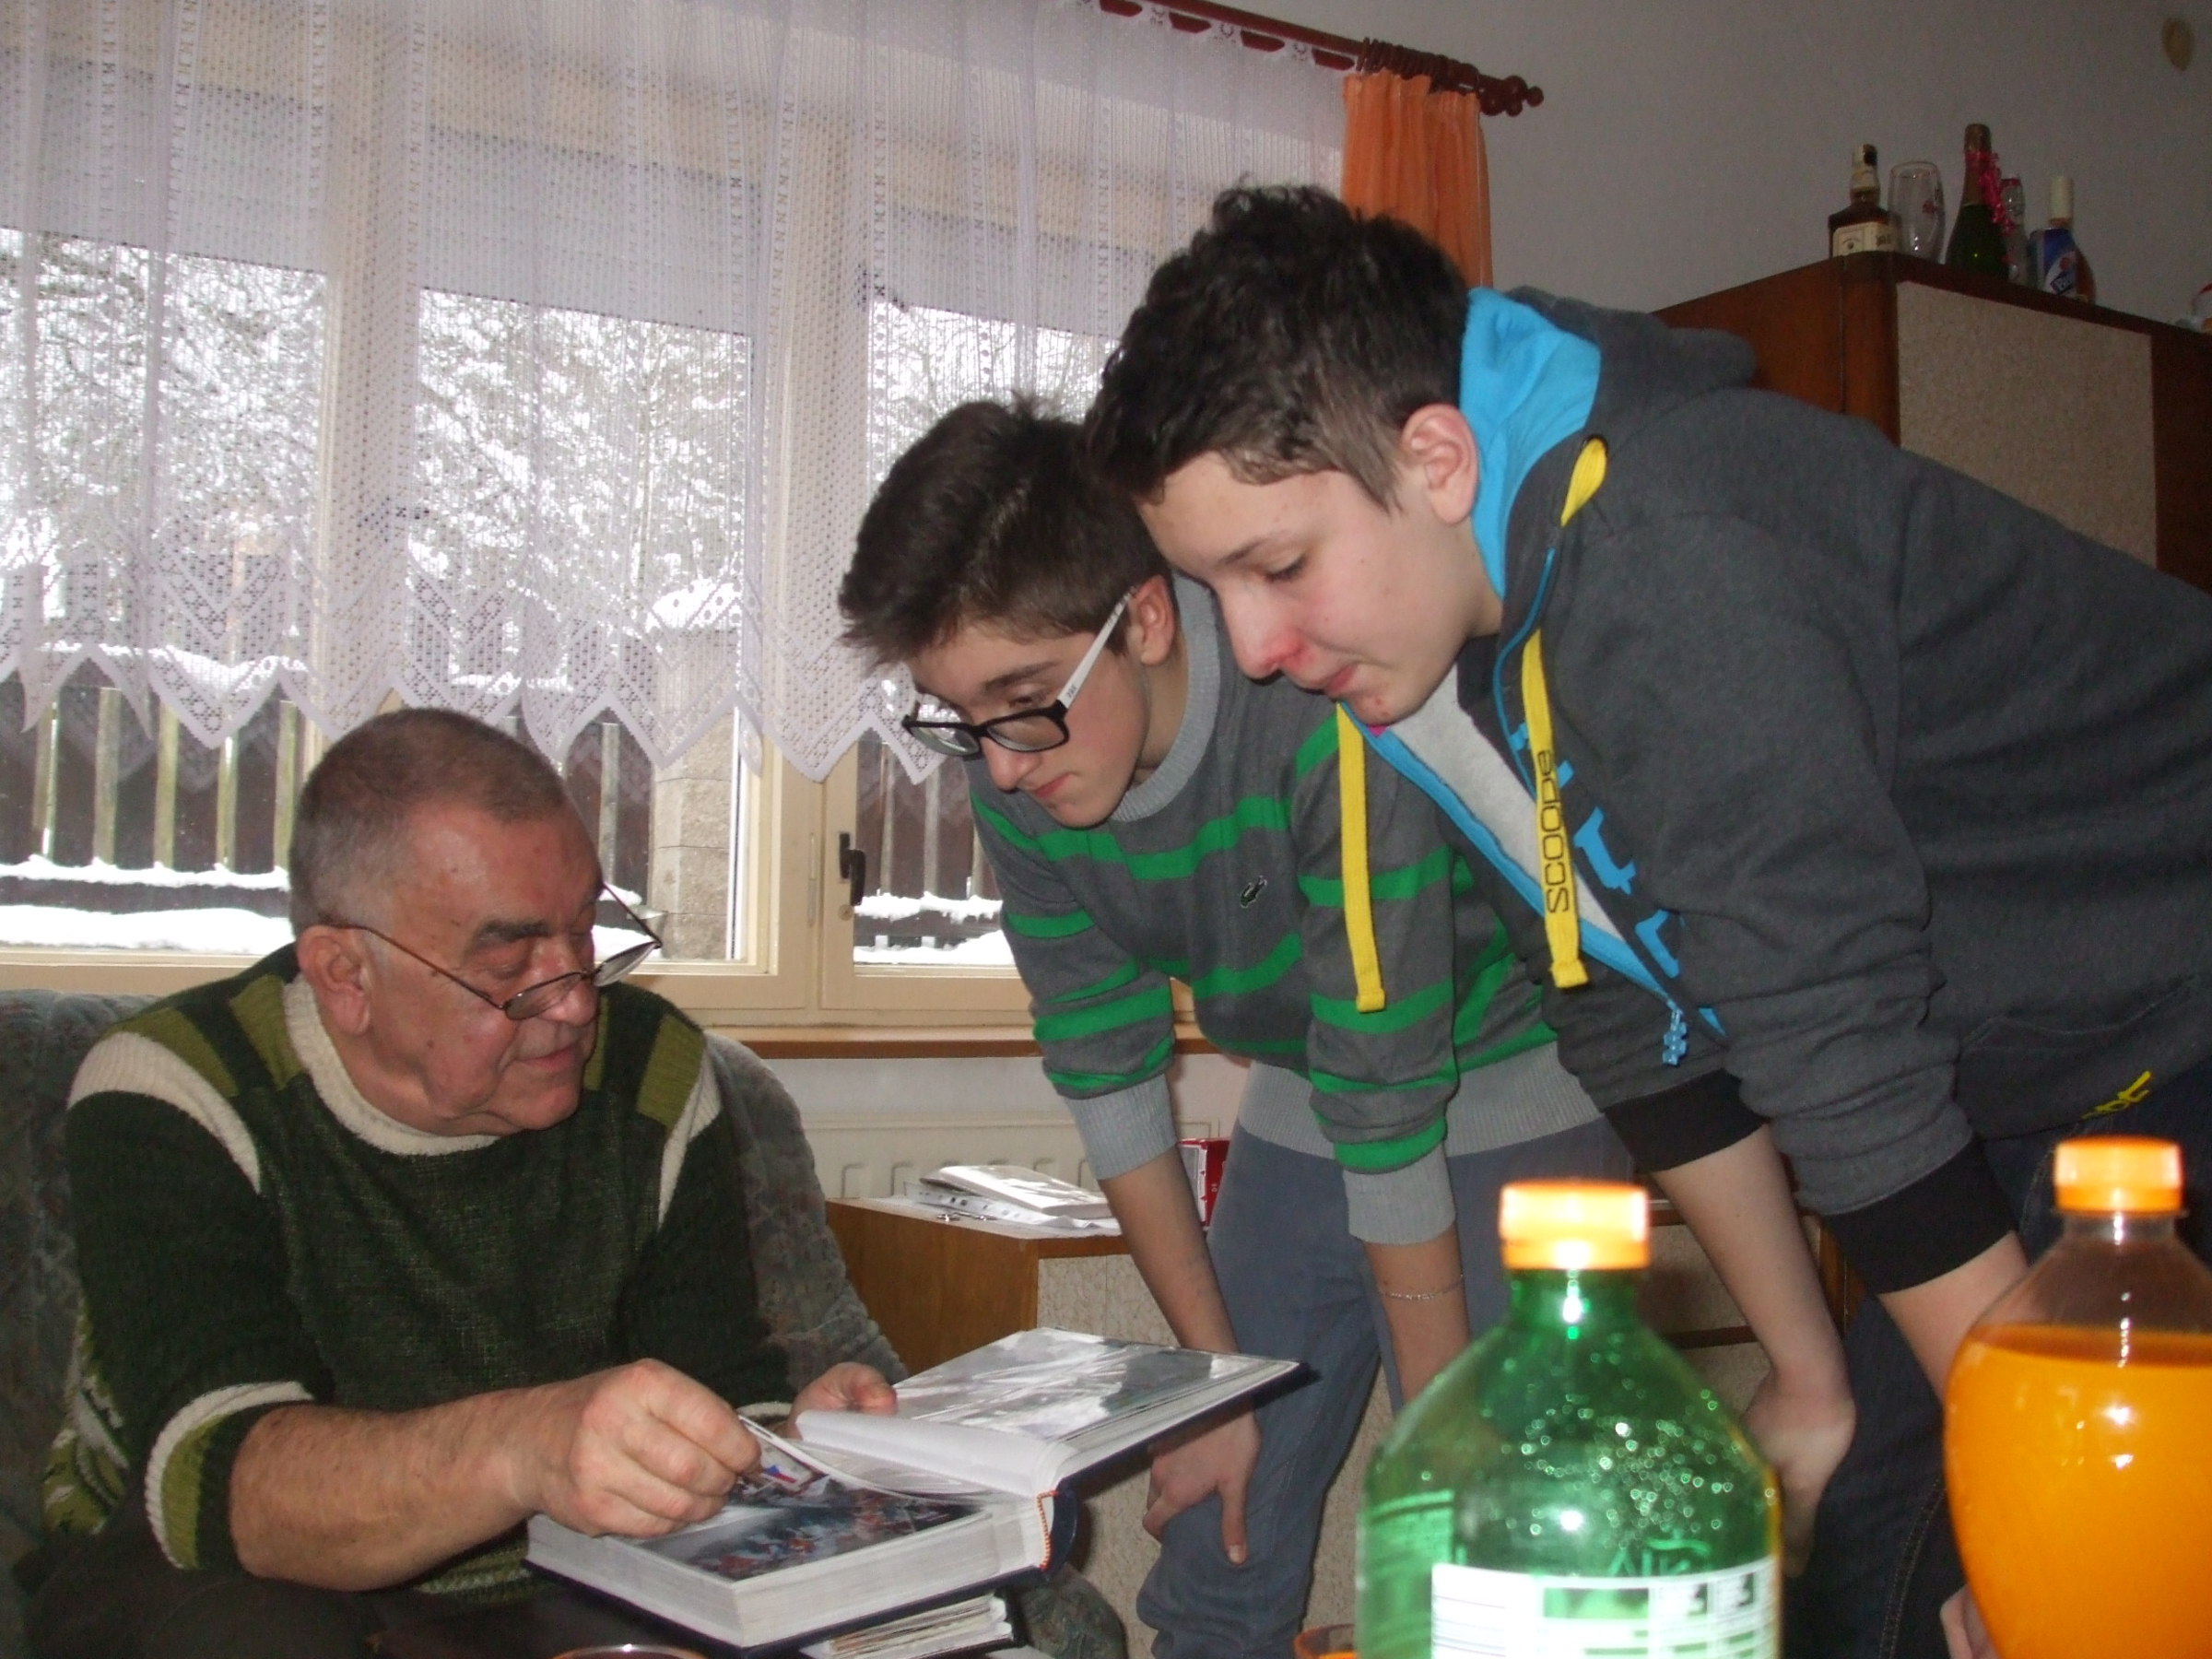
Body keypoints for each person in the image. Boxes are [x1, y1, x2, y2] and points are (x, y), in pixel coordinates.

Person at [1085, 184, 2212, 1659]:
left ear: (1436, 458)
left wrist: (2047, 1509)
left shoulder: (1674, 546)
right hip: (2040, 1087)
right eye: (1214, 585)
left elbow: (1835, 1043)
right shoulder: (1434, 659)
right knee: (1876, 1585)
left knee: (2109, 1586)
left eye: (1279, 565)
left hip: (2179, 1011)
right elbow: (1623, 1005)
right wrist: (1810, 1377)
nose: (1256, 649)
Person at [840, 400, 1632, 1659]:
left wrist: (1442, 1447)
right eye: (961, 717)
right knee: (1220, 1521)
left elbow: (1389, 1098)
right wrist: (1207, 1388)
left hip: (1508, 1083)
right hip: (1312, 1091)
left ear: (1147, 619)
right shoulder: (1020, 769)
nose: (1000, 766)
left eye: (1024, 700)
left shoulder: (1318, 708)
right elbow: (1108, 1070)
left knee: (1490, 1555)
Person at [25, 709, 904, 1658]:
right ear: (346, 975)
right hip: (212, 1572)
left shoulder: (656, 1075)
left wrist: (790, 1451)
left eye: (584, 934)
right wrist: (527, 1445)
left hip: (570, 1576)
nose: (576, 1003)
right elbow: (224, 1481)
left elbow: (719, 1381)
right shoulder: (176, 1089)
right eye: (511, 967)